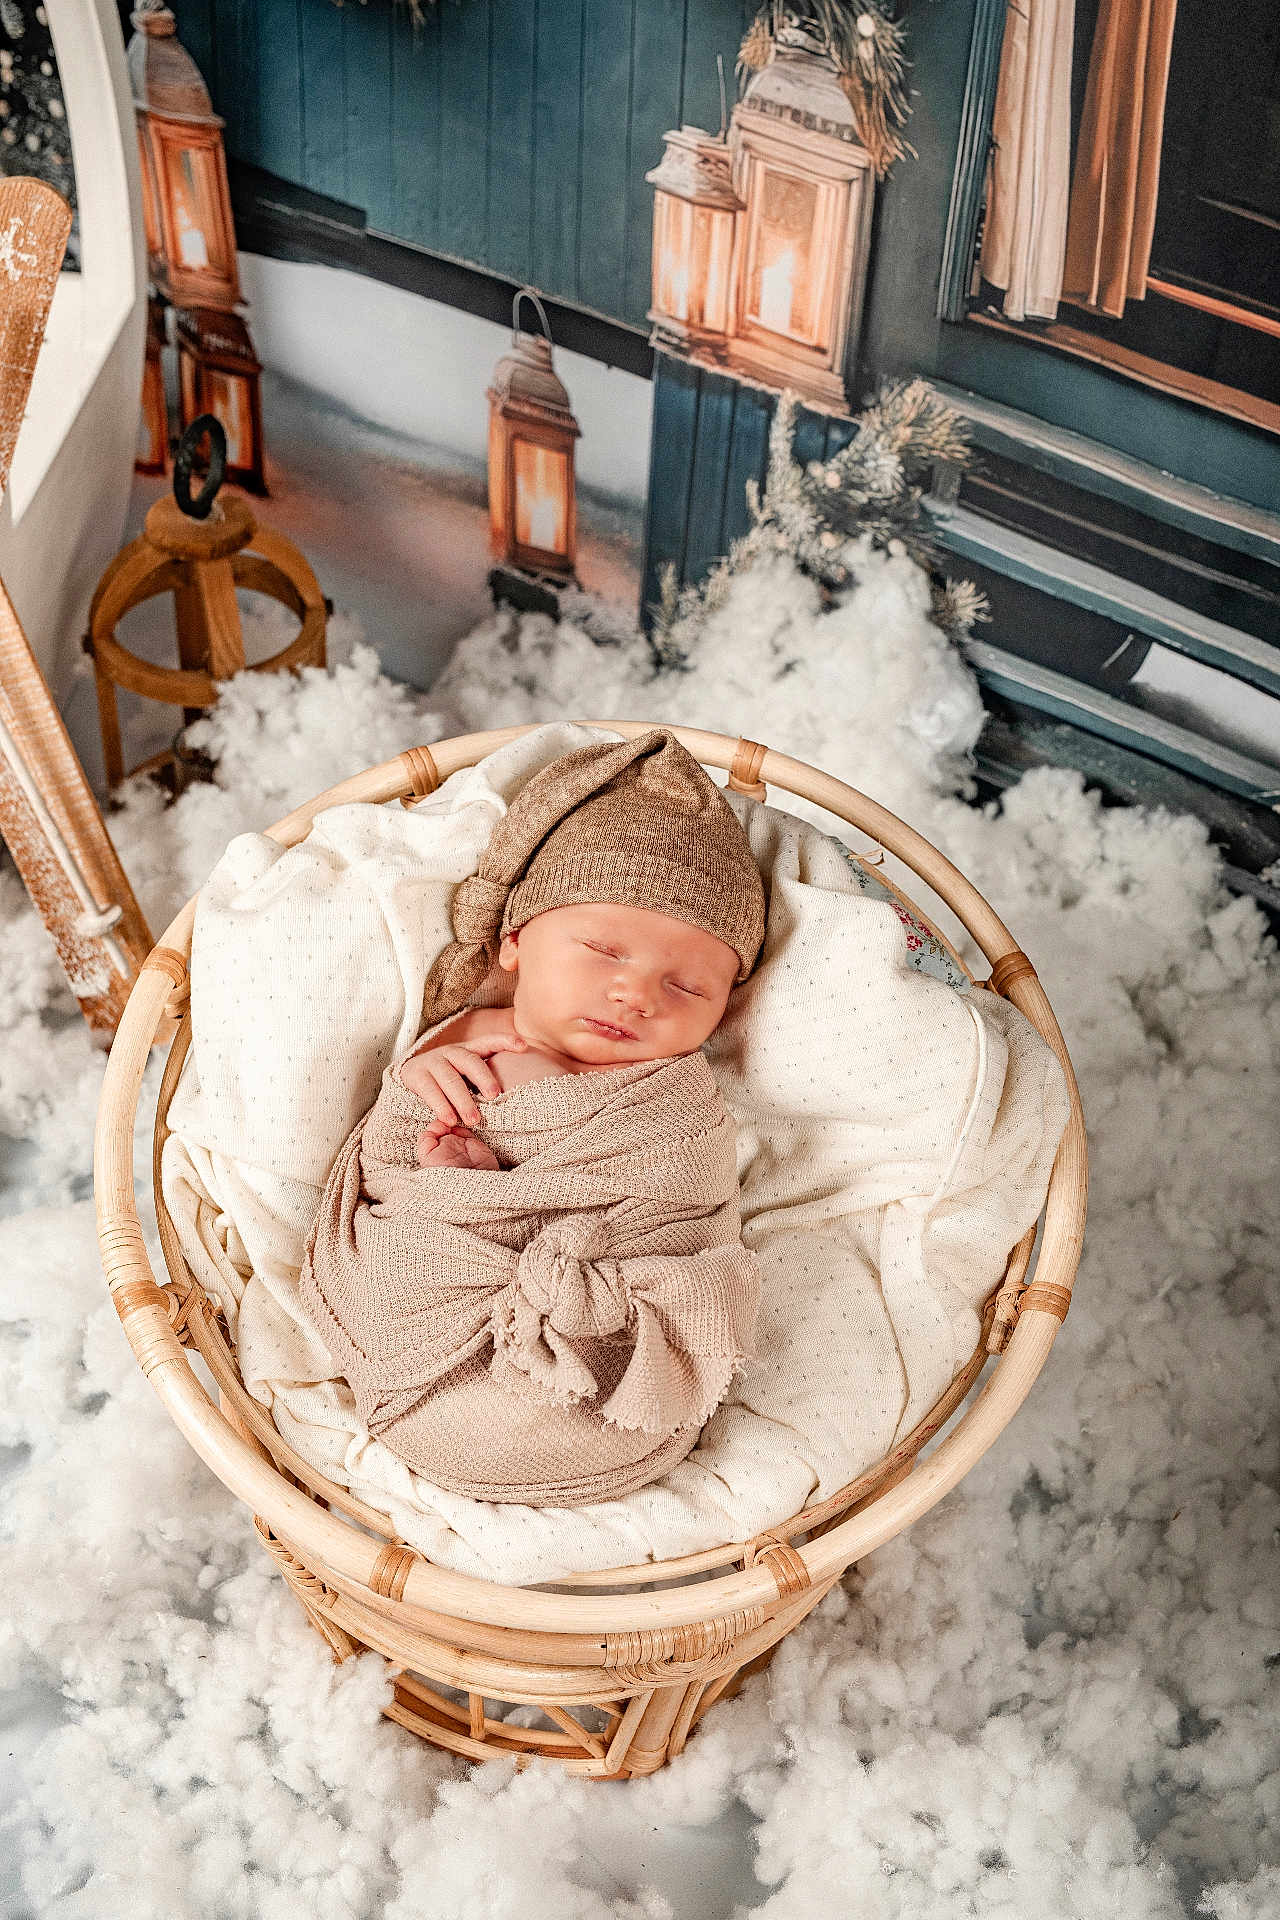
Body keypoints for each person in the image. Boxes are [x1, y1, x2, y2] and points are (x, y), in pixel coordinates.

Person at [300, 728, 768, 1506]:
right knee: (397, 1266)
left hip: (609, 1338)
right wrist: (444, 1160)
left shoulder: (677, 1103)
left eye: (688, 987)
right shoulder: (463, 1043)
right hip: (451, 1304)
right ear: (514, 943)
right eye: (604, 950)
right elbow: (385, 1169)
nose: (636, 994)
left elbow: (689, 1207)